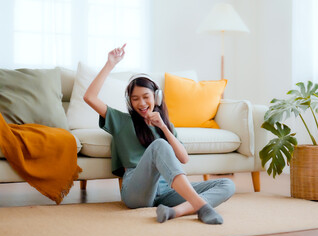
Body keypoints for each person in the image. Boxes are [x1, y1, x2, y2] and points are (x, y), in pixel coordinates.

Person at [83, 44, 235, 224]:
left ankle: (175, 212)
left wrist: (163, 127)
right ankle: (201, 207)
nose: (141, 103)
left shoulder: (166, 125)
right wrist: (110, 64)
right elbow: (89, 97)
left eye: (146, 96)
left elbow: (184, 158)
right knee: (159, 146)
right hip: (137, 191)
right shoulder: (121, 120)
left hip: (166, 192)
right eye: (135, 98)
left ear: (157, 97)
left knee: (227, 185)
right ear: (130, 102)